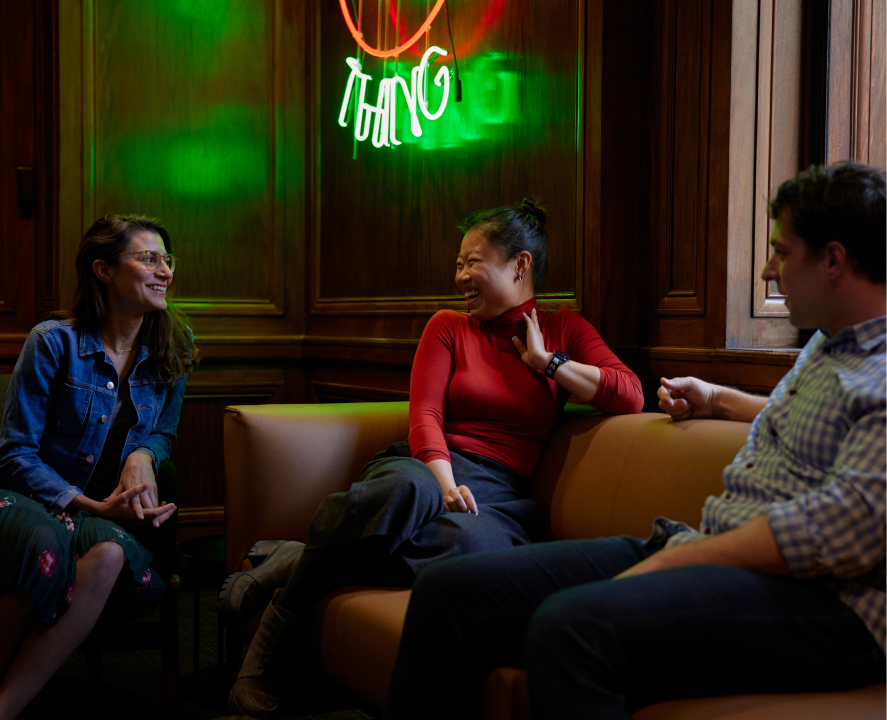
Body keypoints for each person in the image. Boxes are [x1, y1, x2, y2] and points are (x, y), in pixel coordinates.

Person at [384, 162, 886, 719]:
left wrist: (679, 560)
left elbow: (838, 527)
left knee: (569, 628)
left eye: (782, 252)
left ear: (834, 260)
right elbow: (813, 420)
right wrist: (718, 399)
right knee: (448, 593)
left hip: (830, 608)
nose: (768, 273)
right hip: (714, 550)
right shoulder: (832, 345)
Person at [222, 199, 644, 718]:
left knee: (469, 544)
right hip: (425, 463)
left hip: (498, 493)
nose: (460, 275)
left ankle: (302, 557)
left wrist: (546, 363)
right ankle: (280, 624)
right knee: (407, 491)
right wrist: (442, 479)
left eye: (473, 262)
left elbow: (630, 395)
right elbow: (424, 413)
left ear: (520, 264)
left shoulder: (563, 331)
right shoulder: (448, 325)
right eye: (459, 264)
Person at [0, 214, 198, 719]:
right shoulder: (53, 342)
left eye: (167, 260)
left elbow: (163, 431)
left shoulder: (173, 348)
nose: (166, 272)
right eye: (149, 258)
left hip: (103, 516)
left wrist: (142, 455)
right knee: (48, 544)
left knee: (109, 556)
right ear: (104, 271)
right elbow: (14, 453)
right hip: (30, 498)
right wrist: (91, 505)